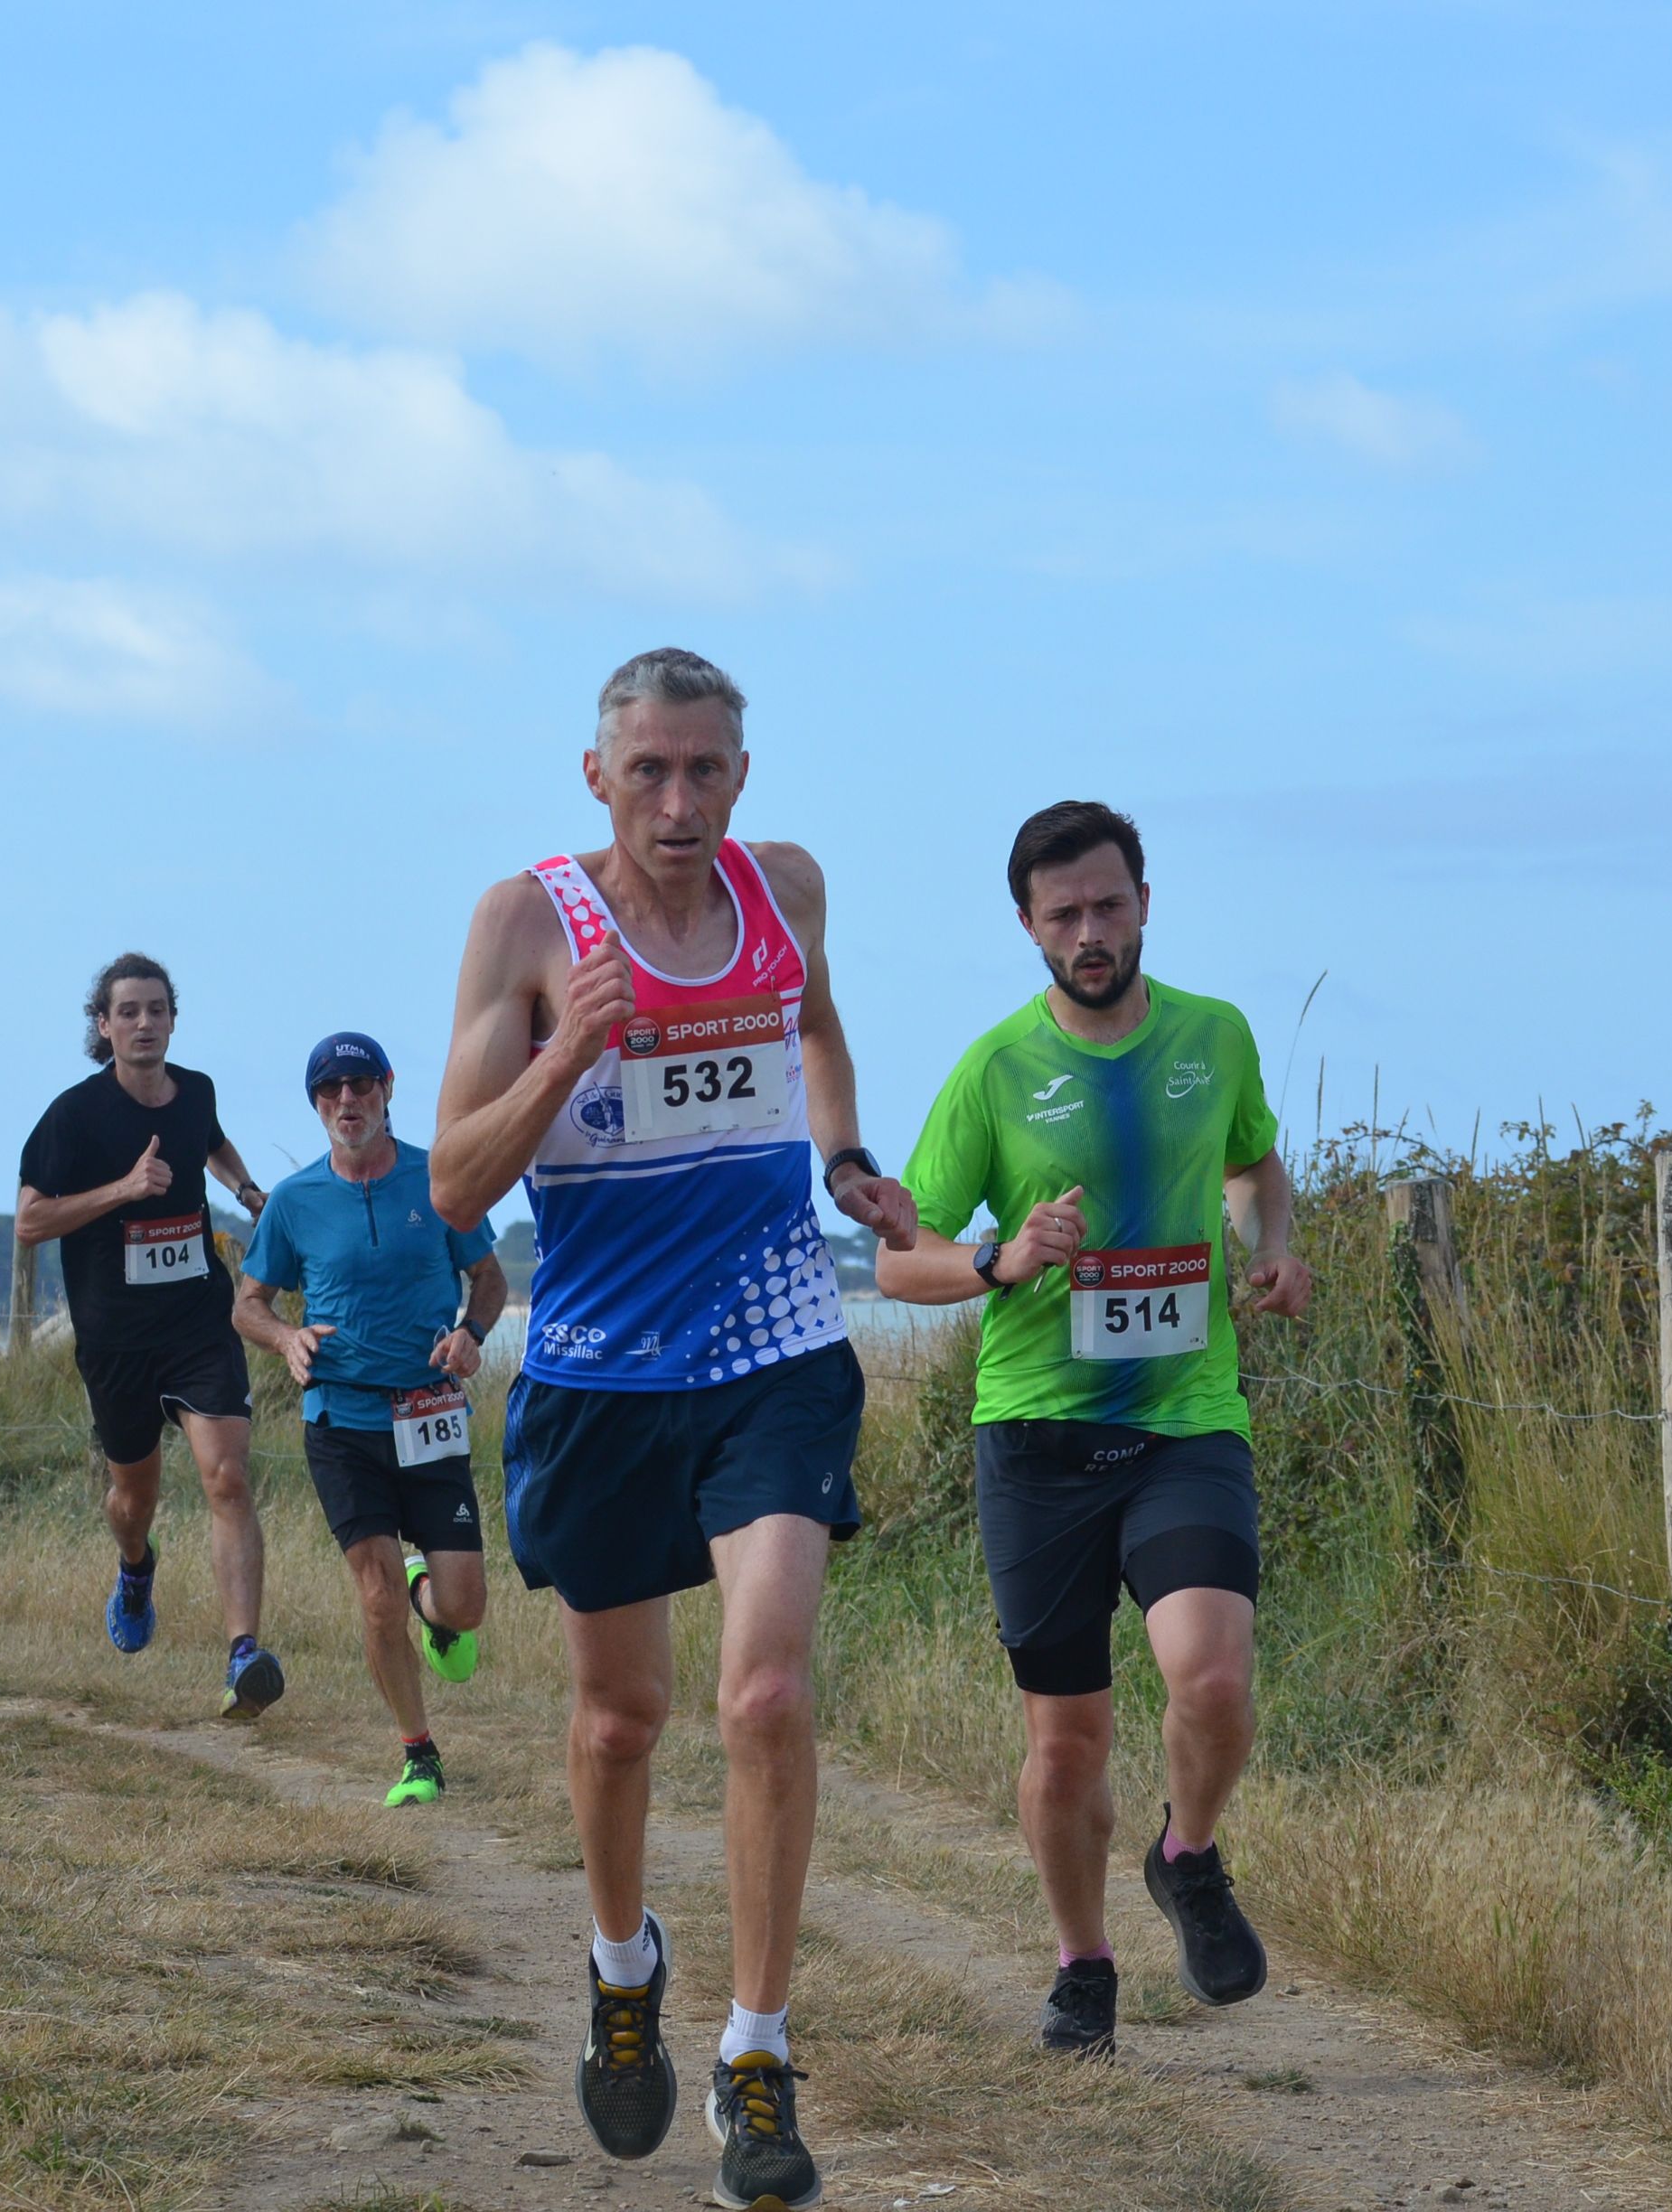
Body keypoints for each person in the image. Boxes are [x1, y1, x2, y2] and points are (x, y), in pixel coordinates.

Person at [429, 648, 914, 2212]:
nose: (680, 800)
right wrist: (568, 1051)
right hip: (600, 1375)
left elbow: (816, 1027)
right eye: (649, 770)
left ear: (742, 776)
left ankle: (756, 2053)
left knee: (763, 1692)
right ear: (598, 777)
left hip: (776, 1346)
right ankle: (622, 1963)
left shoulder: (788, 888)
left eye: (706, 769)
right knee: (620, 1721)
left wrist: (843, 1157)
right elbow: (452, 1183)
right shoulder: (527, 923)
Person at [874, 801, 1312, 2060]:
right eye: (1063, 914)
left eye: (1109, 905)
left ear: (1145, 904)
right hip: (1040, 1442)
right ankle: (1083, 1968)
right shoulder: (995, 1070)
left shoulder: (1214, 1036)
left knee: (1212, 1678)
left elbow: (1254, 1167)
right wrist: (1001, 1258)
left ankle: (1189, 1854)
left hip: (1186, 1423)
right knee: (1066, 1748)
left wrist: (1273, 1249)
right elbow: (899, 1263)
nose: (1091, 932)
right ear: (1028, 926)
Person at [234, 1030, 509, 1808]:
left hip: (429, 1413)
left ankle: (433, 1600)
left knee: (465, 1605)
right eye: (330, 1090)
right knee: (375, 1594)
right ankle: (419, 1754)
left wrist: (471, 1333)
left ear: (388, 1089)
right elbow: (247, 1304)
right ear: (316, 1104)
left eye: (360, 1085)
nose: (346, 1100)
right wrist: (285, 1338)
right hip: (341, 1419)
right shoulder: (294, 1201)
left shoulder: (438, 1178)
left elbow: (490, 1279)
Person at [15, 952, 286, 1718]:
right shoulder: (74, 1115)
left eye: (157, 1009)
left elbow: (211, 1141)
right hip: (116, 1341)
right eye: (128, 1011)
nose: (144, 1023)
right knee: (132, 1502)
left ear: (173, 1019)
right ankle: (136, 1569)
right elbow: (30, 1221)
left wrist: (247, 1189)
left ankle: (243, 1654)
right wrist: (124, 1190)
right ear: (103, 1026)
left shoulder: (195, 1091)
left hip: (199, 1323)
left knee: (227, 1478)